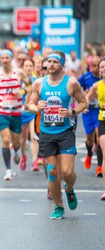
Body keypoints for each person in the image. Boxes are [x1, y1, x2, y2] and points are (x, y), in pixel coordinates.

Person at [28, 50, 87, 219]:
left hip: (65, 132)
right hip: (46, 132)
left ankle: (69, 189)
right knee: (52, 171)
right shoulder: (39, 83)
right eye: (49, 62)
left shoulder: (71, 83)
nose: (51, 65)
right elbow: (30, 105)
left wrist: (72, 112)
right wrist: (36, 107)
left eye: (55, 62)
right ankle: (58, 205)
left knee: (67, 172)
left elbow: (83, 102)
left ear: (62, 65)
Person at [0, 49, 28, 180]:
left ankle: (17, 151)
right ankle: (8, 170)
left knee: (16, 141)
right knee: (6, 140)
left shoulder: (19, 72)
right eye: (3, 58)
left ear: (11, 58)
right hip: (2, 111)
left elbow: (30, 87)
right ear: (0, 60)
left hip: (16, 111)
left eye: (7, 58)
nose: (5, 60)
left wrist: (22, 91)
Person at [79, 55, 102, 176]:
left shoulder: (103, 79)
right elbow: (76, 89)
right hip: (89, 112)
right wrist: (83, 99)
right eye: (93, 66)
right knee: (89, 139)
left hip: (100, 110)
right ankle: (89, 153)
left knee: (99, 138)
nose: (96, 68)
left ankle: (99, 166)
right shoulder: (86, 77)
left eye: (98, 65)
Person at [86, 58, 105, 199]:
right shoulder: (96, 85)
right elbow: (86, 98)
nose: (104, 69)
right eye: (102, 67)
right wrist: (84, 106)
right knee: (104, 150)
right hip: (103, 119)